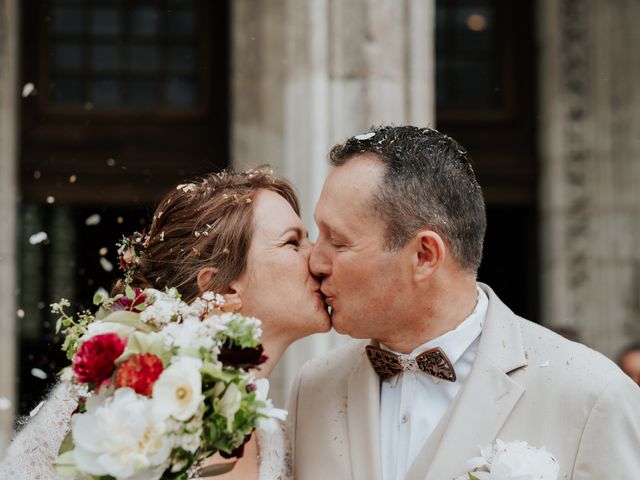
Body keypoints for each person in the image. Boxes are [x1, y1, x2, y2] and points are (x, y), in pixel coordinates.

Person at [287, 126, 640, 480]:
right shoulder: (313, 389)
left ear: (425, 255)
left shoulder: (592, 396)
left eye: (338, 241)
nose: (315, 262)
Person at [1, 167, 330, 480]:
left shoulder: (275, 439)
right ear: (222, 288)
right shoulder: (115, 398)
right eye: (293, 242)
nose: (317, 257)